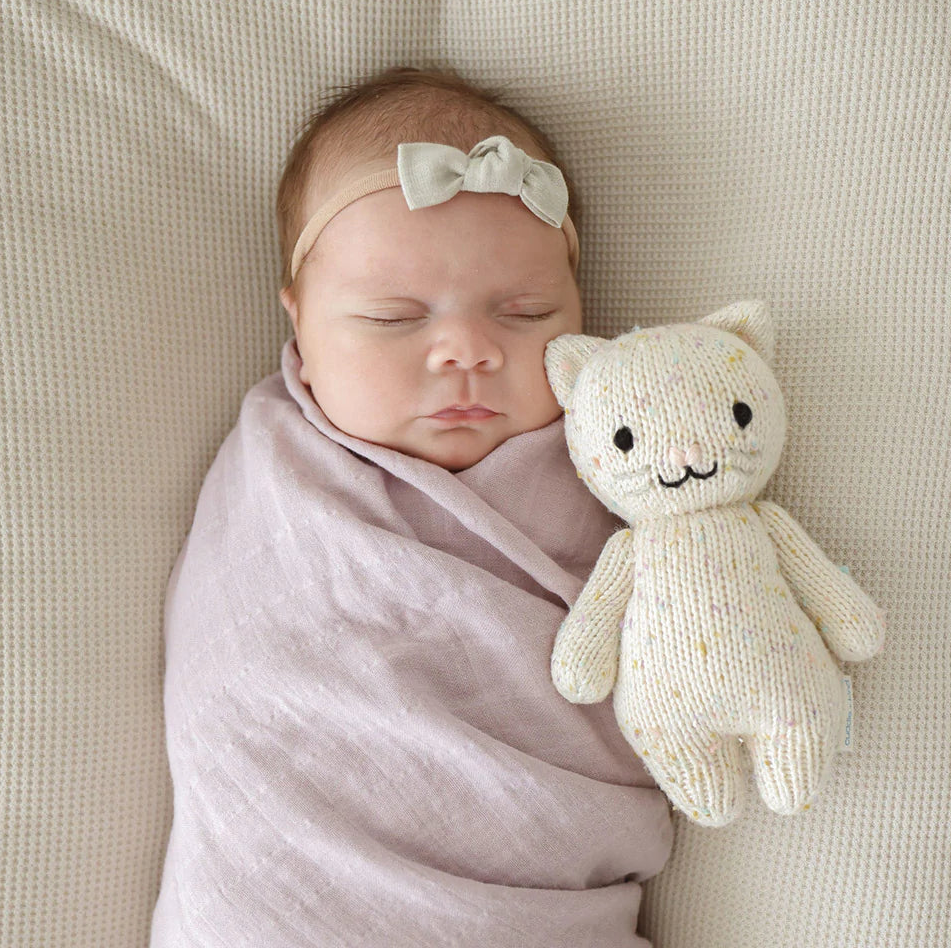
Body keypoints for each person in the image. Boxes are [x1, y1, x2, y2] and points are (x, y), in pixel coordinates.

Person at [151, 67, 672, 948]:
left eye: (525, 311)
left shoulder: (617, 460)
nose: (466, 350)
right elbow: (241, 677)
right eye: (393, 318)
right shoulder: (277, 478)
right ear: (301, 328)